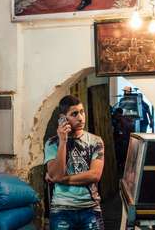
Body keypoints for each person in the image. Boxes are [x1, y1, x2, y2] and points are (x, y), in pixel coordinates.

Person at [44, 95, 105, 230]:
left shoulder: (96, 141)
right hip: (61, 209)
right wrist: (63, 141)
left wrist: (60, 179)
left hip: (90, 208)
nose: (81, 117)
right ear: (63, 118)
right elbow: (57, 174)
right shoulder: (52, 143)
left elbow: (95, 175)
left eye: (82, 112)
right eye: (74, 114)